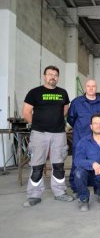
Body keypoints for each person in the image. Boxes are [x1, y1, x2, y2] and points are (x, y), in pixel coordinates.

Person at [22, 65, 74, 207]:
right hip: (39, 134)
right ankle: (34, 195)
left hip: (58, 134)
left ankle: (60, 192)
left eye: (55, 75)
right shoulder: (34, 92)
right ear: (44, 76)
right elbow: (26, 112)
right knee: (37, 165)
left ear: (58, 77)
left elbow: (65, 110)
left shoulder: (63, 93)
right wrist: (39, 123)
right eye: (50, 74)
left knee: (58, 164)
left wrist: (54, 121)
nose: (53, 77)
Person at [67, 79, 100, 194]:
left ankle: (96, 185)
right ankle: (76, 187)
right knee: (77, 162)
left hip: (97, 140)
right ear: (85, 88)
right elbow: (70, 119)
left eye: (93, 86)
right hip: (80, 138)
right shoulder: (76, 102)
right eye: (88, 86)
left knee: (97, 161)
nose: (91, 88)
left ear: (96, 88)